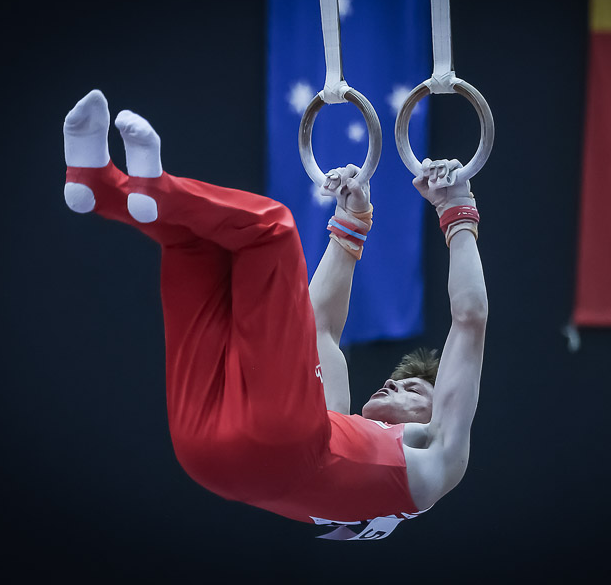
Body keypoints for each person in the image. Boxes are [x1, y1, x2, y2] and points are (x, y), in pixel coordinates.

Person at [62, 90, 487, 540]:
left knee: (271, 230)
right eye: (401, 380)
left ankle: (156, 187)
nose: (393, 384)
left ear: (439, 409)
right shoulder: (334, 422)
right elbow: (317, 328)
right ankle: (100, 186)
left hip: (266, 450)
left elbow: (470, 320)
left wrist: (456, 209)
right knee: (194, 248)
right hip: (209, 463)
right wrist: (353, 220)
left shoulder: (440, 456)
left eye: (414, 389)